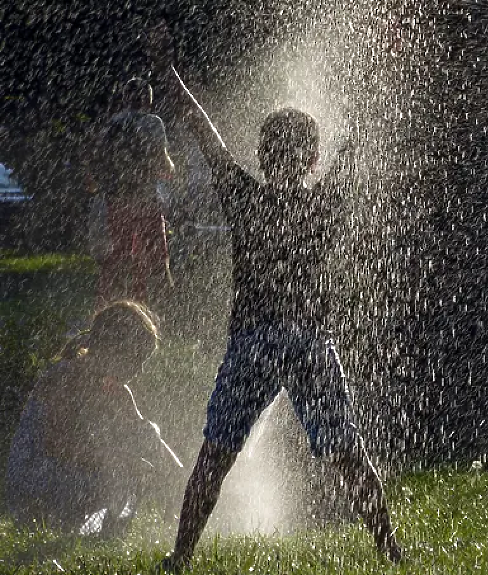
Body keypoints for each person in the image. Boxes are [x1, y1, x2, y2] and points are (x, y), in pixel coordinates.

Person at [147, 25, 402, 572]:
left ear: (262, 157)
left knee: (214, 457)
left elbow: (204, 132)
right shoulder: (326, 204)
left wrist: (169, 74)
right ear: (312, 160)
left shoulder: (243, 197)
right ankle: (392, 552)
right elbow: (353, 148)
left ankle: (178, 558)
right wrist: (365, 92)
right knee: (348, 457)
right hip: (310, 342)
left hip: (254, 341)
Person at [4, 300, 184, 536]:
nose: (138, 370)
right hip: (34, 481)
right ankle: (82, 528)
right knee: (126, 469)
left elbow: (145, 436)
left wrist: (178, 475)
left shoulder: (116, 390)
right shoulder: (64, 379)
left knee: (140, 450)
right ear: (111, 349)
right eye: (135, 360)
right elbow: (56, 444)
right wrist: (114, 461)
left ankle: (101, 530)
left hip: (68, 473)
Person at [94, 78, 175, 310]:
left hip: (116, 198)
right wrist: (171, 167)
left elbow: (100, 158)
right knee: (156, 256)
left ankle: (108, 305)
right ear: (148, 101)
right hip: (144, 198)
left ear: (125, 99)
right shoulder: (153, 123)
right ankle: (152, 308)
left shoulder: (113, 123)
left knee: (121, 254)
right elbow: (162, 159)